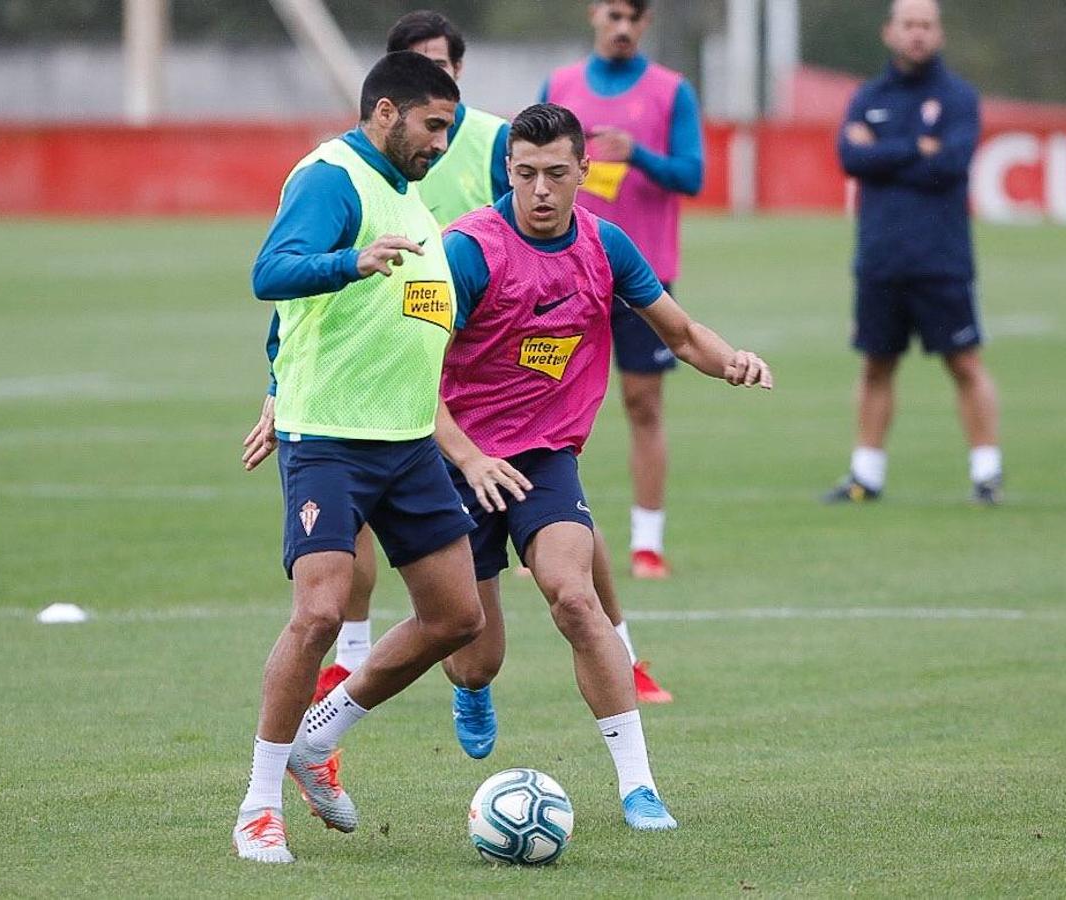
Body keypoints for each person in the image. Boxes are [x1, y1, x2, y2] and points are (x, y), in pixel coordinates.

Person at [245, 9, 675, 708]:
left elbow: (555, 213)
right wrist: (278, 379)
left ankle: (622, 655)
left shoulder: (482, 144)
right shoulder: (350, 177)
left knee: (555, 541)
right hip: (398, 401)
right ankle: (332, 694)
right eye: (427, 90)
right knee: (359, 593)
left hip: (482, 372)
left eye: (446, 72)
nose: (440, 138)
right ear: (390, 96)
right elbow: (284, 284)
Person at [426, 102, 770, 829]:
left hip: (546, 459)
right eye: (525, 175)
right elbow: (411, 376)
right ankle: (471, 685)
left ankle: (638, 786)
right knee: (472, 655)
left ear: (585, 171)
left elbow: (679, 333)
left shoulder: (606, 245)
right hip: (460, 464)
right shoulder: (466, 250)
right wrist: (469, 456)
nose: (541, 191)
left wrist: (730, 361)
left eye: (556, 174)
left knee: (574, 598)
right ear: (508, 173)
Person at [233, 52, 483, 864]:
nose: (442, 142)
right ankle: (259, 805)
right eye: (432, 125)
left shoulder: (412, 196)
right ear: (385, 112)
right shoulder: (331, 176)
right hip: (330, 439)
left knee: (456, 618)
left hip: (407, 442)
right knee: (319, 612)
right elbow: (271, 274)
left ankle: (318, 739)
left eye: (449, 126)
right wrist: (352, 262)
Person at [542, 0, 705, 578]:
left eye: (632, 17)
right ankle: (534, 532)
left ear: (646, 23)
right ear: (594, 15)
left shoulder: (669, 91)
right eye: (613, 14)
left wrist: (638, 154)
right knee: (541, 401)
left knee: (643, 404)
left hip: (642, 274)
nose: (622, 26)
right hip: (562, 270)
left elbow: (693, 175)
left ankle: (647, 542)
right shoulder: (561, 84)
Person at [824, 0, 1003, 505]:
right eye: (909, 25)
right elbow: (850, 157)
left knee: (965, 363)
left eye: (926, 25)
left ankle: (986, 472)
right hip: (880, 258)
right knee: (876, 365)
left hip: (941, 258)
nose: (917, 34)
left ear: (939, 34)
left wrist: (884, 151)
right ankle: (866, 475)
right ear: (889, 32)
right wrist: (914, 148)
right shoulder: (869, 95)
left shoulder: (958, 97)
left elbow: (950, 164)